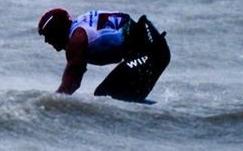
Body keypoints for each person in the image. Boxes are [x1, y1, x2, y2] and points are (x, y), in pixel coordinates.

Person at [38, 8, 167, 97]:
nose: (46, 41)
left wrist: (49, 108)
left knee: (105, 95)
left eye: (47, 35)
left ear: (58, 30)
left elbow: (70, 86)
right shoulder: (79, 27)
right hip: (150, 47)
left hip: (152, 51)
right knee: (119, 96)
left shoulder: (76, 41)